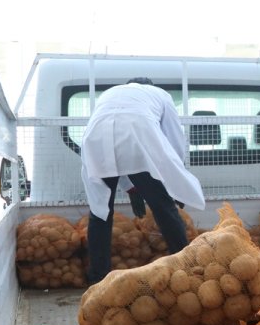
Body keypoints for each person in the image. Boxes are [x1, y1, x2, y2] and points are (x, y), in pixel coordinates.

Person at [80, 77, 205, 284]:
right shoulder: (160, 95)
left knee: (100, 211)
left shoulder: (110, 93)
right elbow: (174, 138)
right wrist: (175, 181)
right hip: (137, 134)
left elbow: (114, 153)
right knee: (163, 207)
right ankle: (185, 268)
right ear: (150, 86)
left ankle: (97, 277)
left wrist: (131, 188)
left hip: (96, 139)